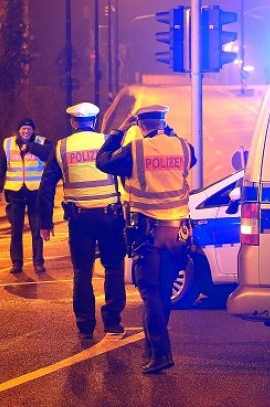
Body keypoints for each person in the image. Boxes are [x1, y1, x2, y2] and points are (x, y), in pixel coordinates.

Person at [96, 104, 195, 375]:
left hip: (148, 234)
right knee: (163, 293)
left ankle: (161, 354)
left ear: (140, 125)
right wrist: (168, 130)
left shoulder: (135, 150)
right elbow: (190, 159)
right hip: (176, 234)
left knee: (150, 294)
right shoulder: (183, 147)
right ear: (163, 122)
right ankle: (151, 351)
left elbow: (102, 161)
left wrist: (119, 131)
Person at [38, 102, 126, 340]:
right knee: (114, 267)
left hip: (80, 219)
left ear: (72, 122)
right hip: (110, 216)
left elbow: (46, 186)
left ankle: (85, 325)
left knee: (82, 271)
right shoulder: (107, 142)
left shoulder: (62, 147)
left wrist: (45, 223)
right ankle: (113, 322)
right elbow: (126, 174)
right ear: (94, 121)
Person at [0, 118, 51, 274]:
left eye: (29, 129)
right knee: (16, 230)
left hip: (35, 192)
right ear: (18, 130)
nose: (26, 131)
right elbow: (0, 167)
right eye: (24, 129)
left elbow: (49, 155)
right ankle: (17, 263)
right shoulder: (7, 144)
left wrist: (31, 147)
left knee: (37, 229)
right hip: (15, 192)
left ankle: (38, 262)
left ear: (33, 131)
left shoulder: (42, 142)